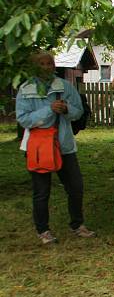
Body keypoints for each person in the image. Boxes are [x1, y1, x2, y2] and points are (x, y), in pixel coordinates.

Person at [16, 51, 96, 243]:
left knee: (76, 187)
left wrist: (67, 109)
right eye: (42, 64)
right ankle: (43, 230)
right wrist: (48, 110)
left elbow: (78, 112)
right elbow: (23, 118)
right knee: (42, 191)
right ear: (35, 66)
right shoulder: (26, 89)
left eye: (49, 63)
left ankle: (77, 224)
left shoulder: (65, 86)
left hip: (64, 144)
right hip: (38, 147)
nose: (46, 67)